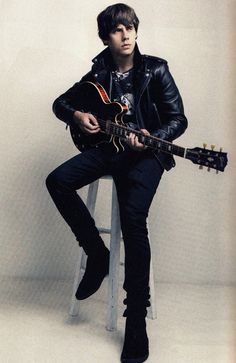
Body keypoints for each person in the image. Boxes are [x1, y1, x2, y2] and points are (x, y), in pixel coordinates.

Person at [46, 3, 188, 362]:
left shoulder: (156, 69)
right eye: (117, 30)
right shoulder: (99, 72)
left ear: (137, 31)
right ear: (105, 37)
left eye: (130, 28)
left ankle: (135, 319)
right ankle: (97, 253)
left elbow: (178, 118)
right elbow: (59, 103)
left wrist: (151, 134)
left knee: (133, 222)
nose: (126, 36)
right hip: (110, 150)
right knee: (57, 181)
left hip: (146, 154)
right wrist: (78, 115)